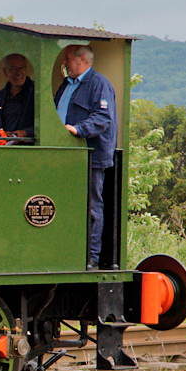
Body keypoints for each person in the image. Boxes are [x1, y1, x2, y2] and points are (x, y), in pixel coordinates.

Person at [54, 45, 117, 270]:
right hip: (65, 155)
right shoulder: (66, 85)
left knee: (91, 207)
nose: (64, 63)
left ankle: (91, 259)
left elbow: (103, 117)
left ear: (82, 60)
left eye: (67, 59)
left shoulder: (100, 85)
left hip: (90, 157)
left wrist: (78, 130)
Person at [0, 54, 34, 140]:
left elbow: (47, 123)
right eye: (13, 69)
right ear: (5, 72)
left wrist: (25, 133)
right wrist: (1, 133)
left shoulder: (37, 93)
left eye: (22, 67)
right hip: (4, 147)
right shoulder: (0, 97)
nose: (18, 72)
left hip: (30, 148)